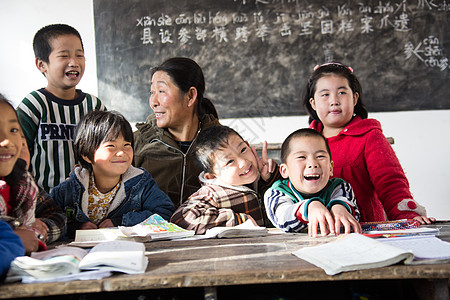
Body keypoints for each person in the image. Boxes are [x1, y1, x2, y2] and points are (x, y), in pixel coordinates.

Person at [302, 62, 435, 224]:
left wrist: (407, 217)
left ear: (355, 98)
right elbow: (293, 186)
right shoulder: (303, 141)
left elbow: (391, 183)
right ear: (313, 103)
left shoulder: (369, 136)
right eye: (325, 95)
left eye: (342, 92)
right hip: (318, 231)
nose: (334, 101)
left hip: (365, 229)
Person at [51, 110, 175, 238]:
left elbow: (165, 212)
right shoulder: (67, 191)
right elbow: (49, 220)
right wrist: (75, 228)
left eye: (127, 144)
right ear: (87, 154)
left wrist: (122, 222)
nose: (122, 152)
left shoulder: (141, 183)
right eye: (111, 146)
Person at [16, 24, 106, 193]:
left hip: (88, 200)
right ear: (42, 65)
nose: (74, 62)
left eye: (80, 55)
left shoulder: (94, 106)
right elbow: (18, 158)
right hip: (43, 202)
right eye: (64, 56)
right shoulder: (34, 105)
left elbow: (107, 151)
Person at [134, 57, 220, 208]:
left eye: (161, 91)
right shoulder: (136, 144)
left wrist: (264, 180)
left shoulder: (221, 143)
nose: (153, 101)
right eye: (152, 92)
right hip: (152, 231)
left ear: (190, 95)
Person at [170, 125, 279, 234]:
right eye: (230, 162)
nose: (243, 162)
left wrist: (269, 178)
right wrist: (237, 220)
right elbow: (181, 219)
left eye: (243, 149)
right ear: (212, 176)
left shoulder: (260, 177)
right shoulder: (212, 193)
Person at [264, 128, 361, 237]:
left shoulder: (340, 187)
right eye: (302, 157)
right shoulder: (276, 192)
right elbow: (282, 217)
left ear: (330, 168)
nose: (312, 163)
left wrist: (340, 207)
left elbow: (351, 211)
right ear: (284, 170)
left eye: (320, 156)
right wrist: (309, 207)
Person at [0, 95, 43, 254]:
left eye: (13, 130)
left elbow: (29, 235)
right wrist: (16, 243)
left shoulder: (23, 184)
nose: (7, 141)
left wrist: (30, 238)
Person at [19, 135, 65, 244]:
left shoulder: (26, 184)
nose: (17, 154)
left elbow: (58, 216)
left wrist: (39, 230)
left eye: (22, 146)